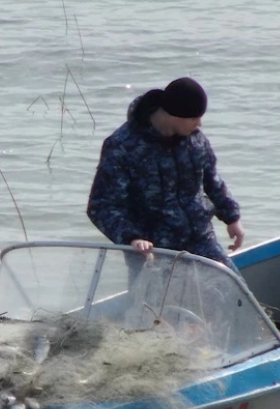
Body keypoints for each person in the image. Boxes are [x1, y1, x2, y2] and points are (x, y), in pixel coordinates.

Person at [87, 77, 245, 270]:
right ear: (174, 115)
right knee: (153, 290)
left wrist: (232, 218)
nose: (199, 124)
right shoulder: (122, 146)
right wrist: (131, 238)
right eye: (194, 118)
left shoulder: (195, 140)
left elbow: (213, 181)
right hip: (152, 251)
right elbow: (101, 206)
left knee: (232, 282)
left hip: (201, 240)